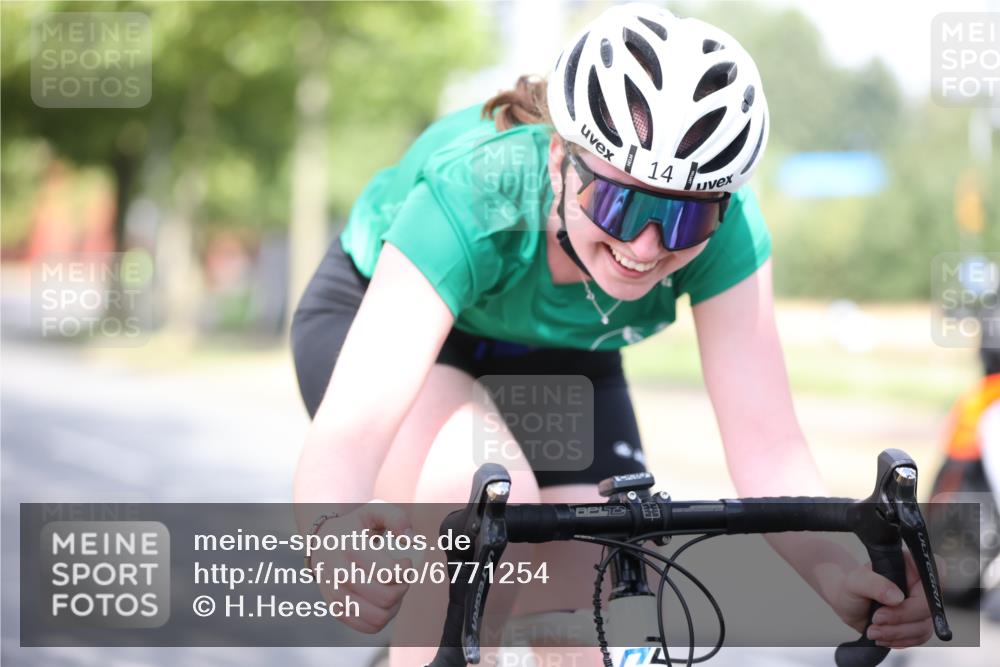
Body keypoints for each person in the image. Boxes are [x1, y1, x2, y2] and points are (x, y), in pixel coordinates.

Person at [291, 4, 935, 665]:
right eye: (621, 201)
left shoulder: (729, 227)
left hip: (557, 353)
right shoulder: (477, 192)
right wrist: (330, 532)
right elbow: (349, 432)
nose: (646, 247)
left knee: (605, 567)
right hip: (390, 318)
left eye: (683, 219)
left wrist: (835, 570)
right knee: (481, 511)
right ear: (558, 160)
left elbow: (767, 443)